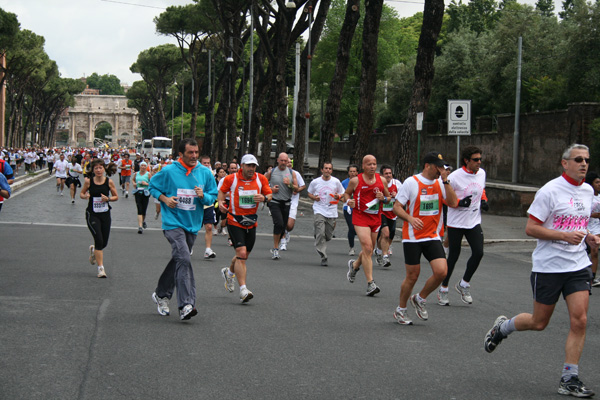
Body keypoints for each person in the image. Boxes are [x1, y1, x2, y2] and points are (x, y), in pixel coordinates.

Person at [484, 144, 598, 398]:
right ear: (564, 163)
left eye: (587, 160)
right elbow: (531, 228)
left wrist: (589, 237)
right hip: (549, 266)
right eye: (578, 159)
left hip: (578, 265)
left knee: (579, 320)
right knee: (539, 322)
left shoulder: (589, 191)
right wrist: (563, 236)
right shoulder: (550, 191)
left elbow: (579, 224)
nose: (584, 164)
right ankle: (503, 328)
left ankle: (569, 378)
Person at [148, 138, 218, 321]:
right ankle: (187, 304)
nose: (194, 156)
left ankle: (161, 294)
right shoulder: (169, 171)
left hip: (192, 225)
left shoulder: (205, 173)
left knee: (179, 260)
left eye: (196, 152)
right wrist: (164, 199)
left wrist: (204, 197)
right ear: (181, 154)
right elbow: (153, 186)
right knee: (184, 257)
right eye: (190, 153)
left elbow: (213, 196)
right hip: (172, 223)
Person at [392, 151, 458, 324]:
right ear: (428, 165)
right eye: (439, 167)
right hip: (413, 237)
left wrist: (445, 181)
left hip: (432, 235)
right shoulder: (411, 182)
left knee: (442, 271)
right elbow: (397, 207)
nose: (441, 170)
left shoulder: (441, 182)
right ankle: (401, 309)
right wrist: (410, 218)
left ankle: (420, 298)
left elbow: (453, 203)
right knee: (413, 276)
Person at [218, 154, 272, 303]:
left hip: (251, 222)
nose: (251, 168)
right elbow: (222, 191)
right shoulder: (232, 179)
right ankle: (243, 290)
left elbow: (269, 194)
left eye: (253, 166)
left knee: (243, 256)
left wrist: (265, 198)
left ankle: (229, 273)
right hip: (234, 220)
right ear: (242, 166)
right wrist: (221, 202)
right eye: (248, 165)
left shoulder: (261, 179)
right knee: (241, 252)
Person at [438, 146, 488, 306]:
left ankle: (464, 284)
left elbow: (481, 189)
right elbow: (444, 197)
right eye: (475, 160)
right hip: (456, 222)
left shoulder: (482, 173)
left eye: (480, 159)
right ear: (466, 160)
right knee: (453, 256)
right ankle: (443, 289)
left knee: (479, 252)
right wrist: (459, 203)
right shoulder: (455, 176)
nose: (479, 162)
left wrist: (484, 200)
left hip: (473, 221)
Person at [342, 155, 392, 296]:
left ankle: (354, 265)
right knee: (368, 247)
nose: (372, 166)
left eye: (374, 164)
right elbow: (346, 194)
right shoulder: (355, 180)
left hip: (375, 217)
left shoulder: (381, 180)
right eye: (369, 164)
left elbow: (389, 199)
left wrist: (384, 198)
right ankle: (370, 284)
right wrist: (349, 201)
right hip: (360, 216)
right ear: (363, 166)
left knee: (368, 251)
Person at [80, 159, 119, 278]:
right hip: (92, 214)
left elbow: (116, 196)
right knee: (99, 240)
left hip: (105, 214)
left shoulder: (109, 182)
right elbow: (81, 194)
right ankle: (101, 269)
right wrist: (85, 196)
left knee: (104, 242)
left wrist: (108, 199)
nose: (98, 170)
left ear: (104, 169)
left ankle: (94, 251)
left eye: (100, 168)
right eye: (96, 168)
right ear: (92, 170)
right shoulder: (88, 182)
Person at [307, 162, 345, 266]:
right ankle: (323, 255)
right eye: (326, 168)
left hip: (331, 211)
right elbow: (309, 193)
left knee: (327, 236)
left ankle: (319, 236)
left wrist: (338, 196)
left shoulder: (336, 182)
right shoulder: (315, 182)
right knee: (320, 232)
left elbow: (342, 193)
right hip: (319, 209)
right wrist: (314, 198)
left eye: (329, 168)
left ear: (331, 171)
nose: (327, 170)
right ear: (322, 170)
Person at [267, 152, 298, 260]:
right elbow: (262, 185)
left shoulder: (291, 173)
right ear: (278, 160)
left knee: (283, 226)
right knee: (278, 223)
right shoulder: (272, 172)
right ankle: (275, 249)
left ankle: (278, 244)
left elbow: (296, 189)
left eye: (286, 161)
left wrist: (289, 184)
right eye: (282, 160)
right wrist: (271, 190)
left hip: (286, 202)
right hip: (274, 201)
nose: (284, 163)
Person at [375, 164, 402, 268]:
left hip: (393, 213)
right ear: (382, 175)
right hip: (381, 212)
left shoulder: (397, 183)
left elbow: (404, 197)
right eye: (386, 173)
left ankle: (378, 250)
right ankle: (385, 256)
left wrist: (397, 196)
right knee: (385, 234)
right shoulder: (378, 184)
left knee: (389, 235)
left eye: (390, 173)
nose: (388, 175)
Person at [278, 159, 306, 251]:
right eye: (287, 162)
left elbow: (302, 186)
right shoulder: (279, 173)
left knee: (289, 225)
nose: (289, 164)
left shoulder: (296, 174)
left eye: (290, 162)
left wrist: (296, 189)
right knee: (281, 222)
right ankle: (283, 242)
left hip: (292, 202)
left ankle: (286, 231)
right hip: (281, 201)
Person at [200, 155, 217, 259]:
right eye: (204, 163)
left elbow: (214, 189)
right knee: (192, 228)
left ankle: (208, 250)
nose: (206, 165)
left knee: (209, 227)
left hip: (208, 204)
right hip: (197, 204)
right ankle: (188, 247)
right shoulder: (195, 173)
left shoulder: (211, 174)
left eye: (208, 163)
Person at [585, 171, 600, 287]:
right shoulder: (586, 196)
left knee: (595, 251)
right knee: (586, 251)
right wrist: (591, 215)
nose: (599, 184)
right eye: (597, 182)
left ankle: (593, 277)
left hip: (596, 226)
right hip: (585, 225)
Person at [341, 164, 359, 256]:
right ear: (348, 172)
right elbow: (341, 197)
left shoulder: (361, 181)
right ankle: (351, 247)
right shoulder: (344, 183)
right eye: (351, 171)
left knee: (358, 228)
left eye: (354, 171)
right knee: (352, 228)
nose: (352, 173)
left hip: (359, 209)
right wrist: (346, 199)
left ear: (357, 172)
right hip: (348, 208)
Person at [132, 161, 152, 234]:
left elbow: (152, 183)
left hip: (146, 193)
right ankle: (140, 227)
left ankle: (143, 221)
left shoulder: (148, 174)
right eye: (142, 165)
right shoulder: (136, 173)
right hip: (138, 192)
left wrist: (146, 183)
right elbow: (133, 180)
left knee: (144, 209)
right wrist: (134, 183)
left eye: (144, 166)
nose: (143, 167)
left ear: (146, 167)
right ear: (140, 166)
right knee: (139, 209)